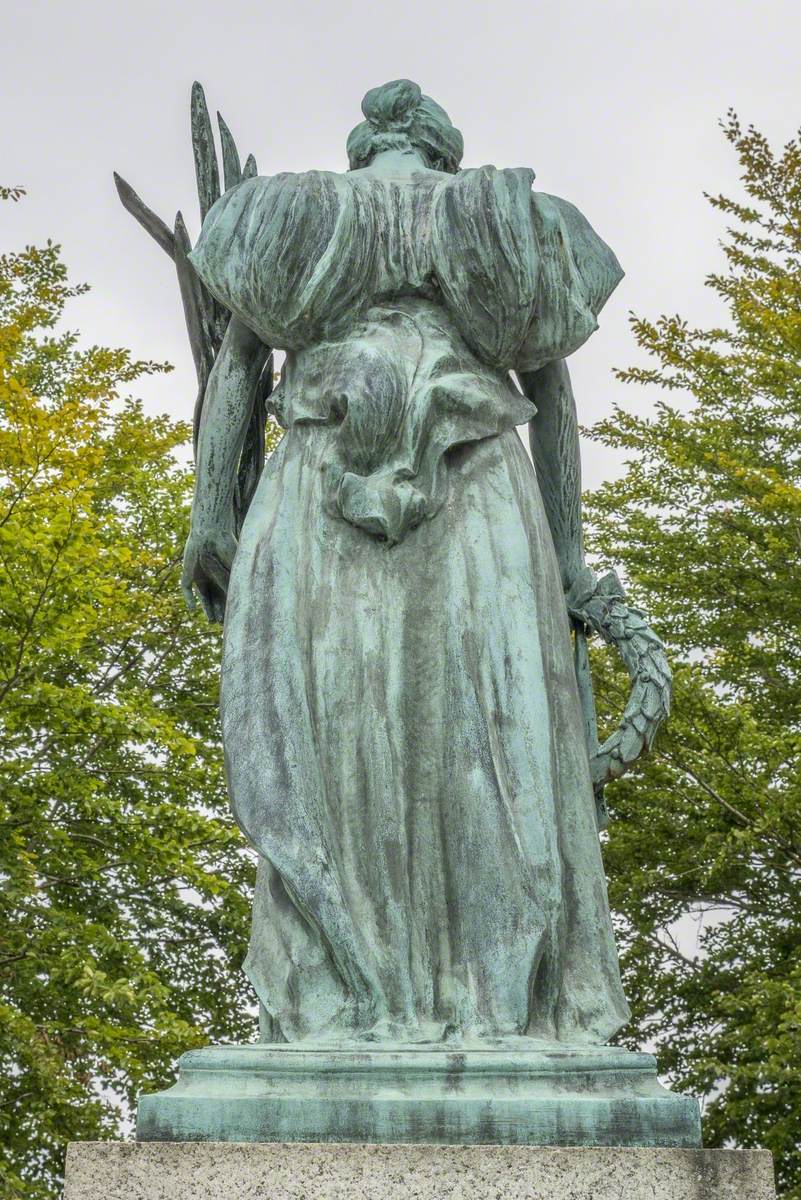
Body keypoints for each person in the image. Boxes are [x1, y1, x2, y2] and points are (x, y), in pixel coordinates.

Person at [180, 78, 630, 1046]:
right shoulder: (504, 222)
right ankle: (496, 1011)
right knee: (486, 760)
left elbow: (241, 367)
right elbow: (552, 396)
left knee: (332, 757)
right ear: (441, 152)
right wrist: (566, 559)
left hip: (315, 487)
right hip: (478, 498)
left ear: (365, 150)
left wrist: (211, 512)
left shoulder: (292, 220)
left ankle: (336, 1006)